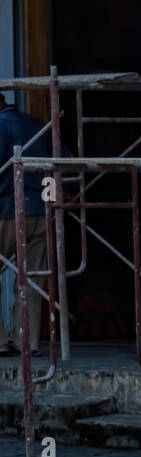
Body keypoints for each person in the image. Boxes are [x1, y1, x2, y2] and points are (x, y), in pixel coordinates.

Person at [0, 92, 51, 356]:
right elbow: (62, 160)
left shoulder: (1, 126)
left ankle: (0, 340)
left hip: (7, 211)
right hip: (41, 210)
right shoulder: (35, 124)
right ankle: (27, 342)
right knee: (30, 279)